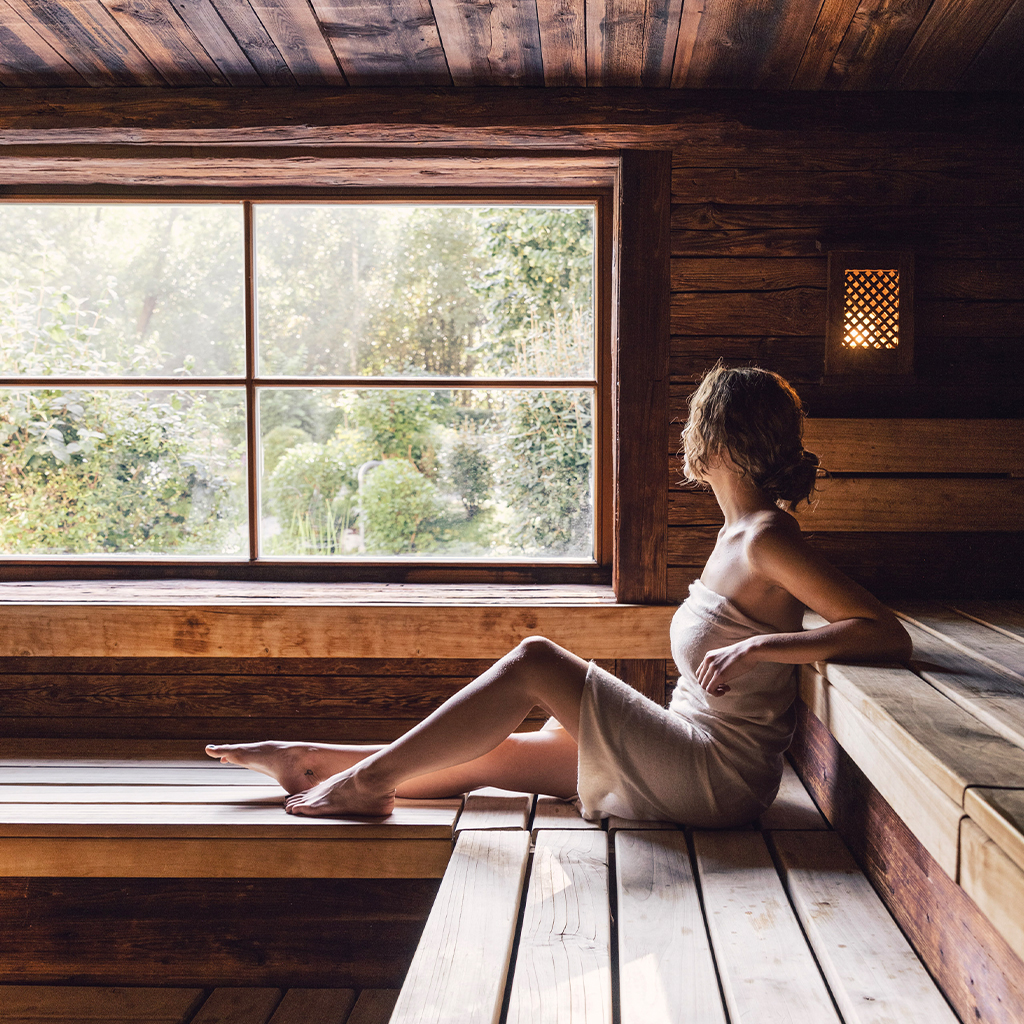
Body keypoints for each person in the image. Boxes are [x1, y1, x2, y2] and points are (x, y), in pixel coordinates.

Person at [207, 364, 911, 825]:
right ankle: (315, 763)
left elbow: (883, 630)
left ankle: (363, 785)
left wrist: (767, 646)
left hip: (715, 776)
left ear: (712, 440)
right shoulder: (737, 533)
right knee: (503, 754)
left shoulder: (764, 536)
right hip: (693, 748)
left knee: (536, 661)